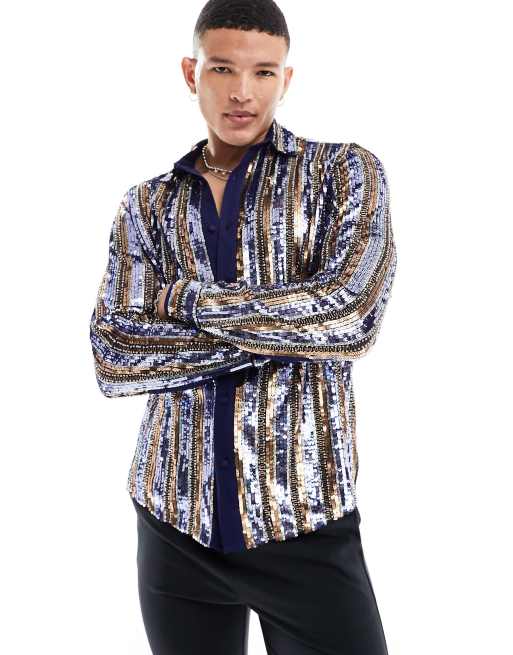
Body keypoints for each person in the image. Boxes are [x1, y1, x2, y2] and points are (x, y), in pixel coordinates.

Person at [89, 0, 398, 653]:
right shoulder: (146, 205)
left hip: (305, 521)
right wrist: (289, 332)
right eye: (222, 68)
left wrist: (185, 301)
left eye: (263, 72)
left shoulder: (342, 173)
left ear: (286, 79)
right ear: (190, 72)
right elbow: (115, 354)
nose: (242, 92)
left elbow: (351, 317)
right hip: (173, 521)